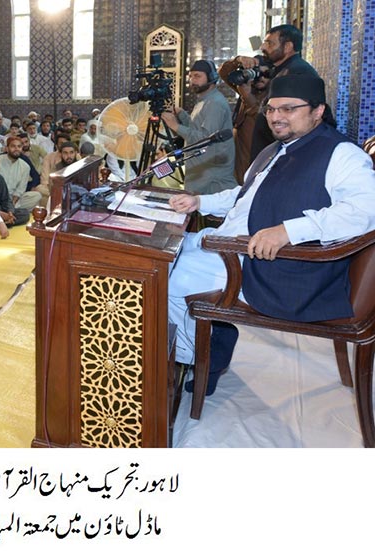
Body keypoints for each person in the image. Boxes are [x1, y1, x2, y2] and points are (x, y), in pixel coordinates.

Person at [167, 75, 375, 396]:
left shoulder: (342, 154)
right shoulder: (275, 150)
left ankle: (196, 356)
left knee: (164, 278)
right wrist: (199, 201)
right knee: (164, 257)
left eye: (289, 109)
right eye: (271, 109)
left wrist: (289, 231)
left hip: (276, 270)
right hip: (231, 248)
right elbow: (246, 195)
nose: (277, 117)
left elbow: (364, 211)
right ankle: (211, 339)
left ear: (318, 110)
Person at [235, 24, 319, 161]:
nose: (263, 47)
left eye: (270, 43)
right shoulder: (281, 70)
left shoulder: (295, 72)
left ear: (287, 47)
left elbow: (296, 123)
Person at [160, 60, 236, 195]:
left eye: (197, 76)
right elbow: (197, 128)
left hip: (211, 179)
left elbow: (205, 140)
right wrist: (182, 115)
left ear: (211, 78)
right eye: (191, 76)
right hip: (201, 174)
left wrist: (175, 126)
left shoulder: (214, 104)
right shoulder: (204, 99)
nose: (192, 80)